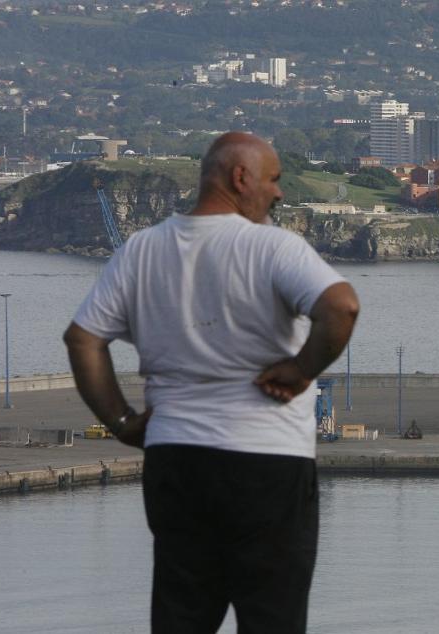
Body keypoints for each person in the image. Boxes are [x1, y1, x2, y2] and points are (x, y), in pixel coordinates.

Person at [63, 131, 359, 633]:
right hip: (267, 463)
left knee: (183, 618)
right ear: (240, 177)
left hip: (176, 459)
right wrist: (302, 369)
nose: (279, 193)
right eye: (273, 180)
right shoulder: (274, 247)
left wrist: (121, 422)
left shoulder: (140, 250)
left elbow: (82, 340)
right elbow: (341, 306)